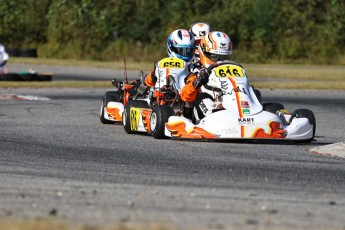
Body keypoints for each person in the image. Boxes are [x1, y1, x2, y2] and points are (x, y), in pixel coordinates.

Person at [180, 31, 233, 123]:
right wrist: (198, 81)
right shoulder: (196, 71)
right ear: (204, 53)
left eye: (223, 57)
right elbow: (185, 96)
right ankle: (214, 117)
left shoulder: (231, 71)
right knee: (203, 97)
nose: (220, 61)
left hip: (230, 105)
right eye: (215, 56)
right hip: (205, 113)